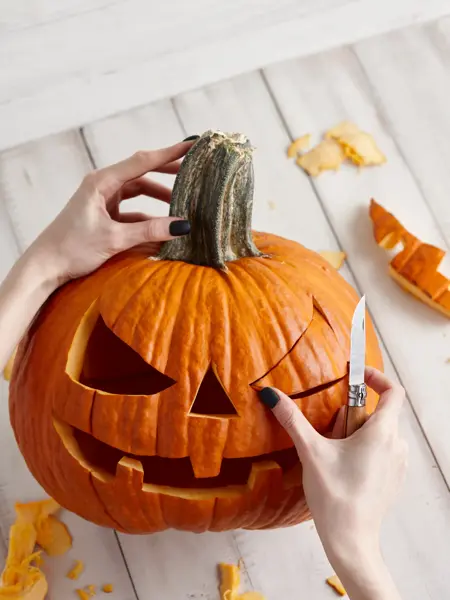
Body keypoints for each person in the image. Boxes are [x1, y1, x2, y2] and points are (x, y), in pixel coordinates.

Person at [0, 138, 407, 600]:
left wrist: (45, 264)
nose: (209, 420)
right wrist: (359, 556)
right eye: (147, 370)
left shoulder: (306, 284)